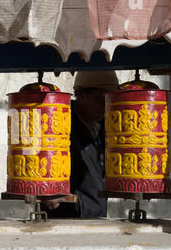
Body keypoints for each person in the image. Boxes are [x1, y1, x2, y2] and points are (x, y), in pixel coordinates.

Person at [42, 71, 119, 218]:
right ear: (81, 94)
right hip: (66, 216)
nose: (104, 105)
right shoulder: (58, 125)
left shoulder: (106, 127)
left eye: (109, 99)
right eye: (99, 98)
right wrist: (43, 191)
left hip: (97, 214)